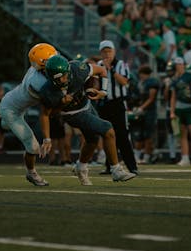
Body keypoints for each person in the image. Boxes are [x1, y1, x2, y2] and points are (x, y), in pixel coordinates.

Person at [0, 43, 57, 184]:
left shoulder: (40, 67)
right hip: (12, 110)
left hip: (11, 103)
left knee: (3, 123)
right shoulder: (36, 82)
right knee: (33, 146)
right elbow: (45, 110)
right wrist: (47, 138)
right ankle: (31, 173)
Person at [40, 54, 136, 185]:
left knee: (92, 140)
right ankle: (116, 170)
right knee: (108, 129)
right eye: (60, 78)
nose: (65, 78)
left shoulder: (77, 69)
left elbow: (102, 71)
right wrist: (47, 138)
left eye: (65, 74)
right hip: (72, 113)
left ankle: (81, 166)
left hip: (86, 105)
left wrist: (102, 91)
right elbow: (47, 114)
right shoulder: (47, 90)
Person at [97, 40, 138, 174]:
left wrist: (111, 69)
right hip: (104, 104)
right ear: (100, 52)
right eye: (104, 51)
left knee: (122, 136)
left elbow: (125, 82)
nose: (107, 53)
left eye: (109, 51)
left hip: (118, 103)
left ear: (114, 51)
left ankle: (132, 166)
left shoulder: (121, 65)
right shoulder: (98, 65)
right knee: (107, 135)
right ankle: (110, 166)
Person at [132, 65, 159, 164]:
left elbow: (151, 98)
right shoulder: (141, 83)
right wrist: (137, 107)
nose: (141, 76)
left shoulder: (152, 82)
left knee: (148, 135)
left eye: (142, 74)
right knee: (139, 134)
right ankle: (137, 156)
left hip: (150, 112)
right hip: (142, 111)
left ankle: (147, 157)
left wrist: (141, 107)